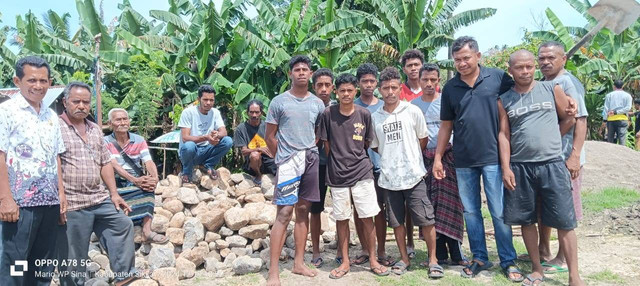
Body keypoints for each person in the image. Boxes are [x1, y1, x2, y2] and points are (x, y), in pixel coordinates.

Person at [432, 36, 524, 281]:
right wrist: (438, 158)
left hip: (494, 158)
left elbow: (521, 96)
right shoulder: (451, 88)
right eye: (457, 60)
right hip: (463, 160)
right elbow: (446, 126)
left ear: (478, 56)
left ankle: (508, 260)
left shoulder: (498, 78)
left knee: (498, 210)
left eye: (466, 58)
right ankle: (480, 257)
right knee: (471, 212)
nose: (462, 63)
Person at [498, 50, 584, 286]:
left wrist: (552, 139)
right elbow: (504, 135)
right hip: (521, 167)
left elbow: (569, 117)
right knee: (527, 220)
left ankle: (574, 276)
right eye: (519, 68)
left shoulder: (551, 88)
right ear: (511, 70)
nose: (525, 71)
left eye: (529, 66)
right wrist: (506, 167)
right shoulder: (504, 99)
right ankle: (537, 268)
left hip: (552, 165)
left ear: (534, 67)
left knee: (565, 221)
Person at [56, 82, 137, 286]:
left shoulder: (95, 129)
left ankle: (123, 277)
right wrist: (60, 196)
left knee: (123, 224)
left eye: (86, 102)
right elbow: (52, 162)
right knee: (73, 254)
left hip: (99, 199)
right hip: (73, 202)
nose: (81, 106)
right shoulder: (55, 126)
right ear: (66, 102)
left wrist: (114, 193)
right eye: (76, 101)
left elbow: (105, 162)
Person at [0, 56, 67, 286]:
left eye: (43, 80)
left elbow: (55, 157)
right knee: (16, 264)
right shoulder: (7, 112)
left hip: (49, 203)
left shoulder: (51, 116)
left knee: (42, 265)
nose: (38, 86)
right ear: (17, 81)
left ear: (49, 83)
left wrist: (61, 194)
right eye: (31, 80)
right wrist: (5, 198)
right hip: (20, 206)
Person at [370, 67, 442, 278]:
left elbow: (422, 139)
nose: (390, 91)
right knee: (397, 222)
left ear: (400, 87)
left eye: (394, 87)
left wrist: (408, 157)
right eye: (386, 88)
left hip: (414, 175)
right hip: (389, 178)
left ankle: (433, 260)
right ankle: (404, 258)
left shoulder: (412, 111)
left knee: (426, 219)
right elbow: (376, 146)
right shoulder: (375, 118)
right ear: (380, 90)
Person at [318, 73, 389, 278]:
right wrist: (340, 161)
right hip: (337, 175)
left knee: (368, 217)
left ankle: (373, 260)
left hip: (362, 172)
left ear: (355, 90)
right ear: (336, 92)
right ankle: (345, 262)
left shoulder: (364, 114)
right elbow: (327, 146)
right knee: (341, 219)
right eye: (342, 91)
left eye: (350, 90)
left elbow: (366, 144)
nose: (346, 94)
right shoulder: (328, 114)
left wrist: (353, 158)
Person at [265, 55, 326, 286]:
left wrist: (309, 149)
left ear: (310, 74)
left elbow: (319, 134)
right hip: (288, 161)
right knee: (283, 213)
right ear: (290, 73)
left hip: (310, 158)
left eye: (305, 69)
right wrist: (281, 157)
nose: (301, 72)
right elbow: (270, 136)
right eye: (297, 69)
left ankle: (299, 263)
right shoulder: (278, 102)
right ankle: (273, 272)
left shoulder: (317, 104)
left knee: (303, 210)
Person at [537, 41, 587, 275]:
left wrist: (575, 155)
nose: (546, 62)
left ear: (563, 58)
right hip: (548, 156)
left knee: (563, 209)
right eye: (542, 58)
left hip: (565, 157)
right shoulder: (545, 83)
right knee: (544, 206)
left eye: (551, 58)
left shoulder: (568, 81)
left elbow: (581, 119)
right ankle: (543, 250)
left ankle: (562, 257)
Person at [411, 63, 467, 267]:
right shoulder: (413, 106)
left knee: (452, 204)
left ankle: (456, 251)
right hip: (423, 160)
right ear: (419, 80)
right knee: (430, 206)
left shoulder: (447, 101)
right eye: (425, 80)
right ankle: (437, 253)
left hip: (448, 158)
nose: (428, 84)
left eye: (433, 80)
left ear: (438, 81)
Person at [104, 108, 167, 244]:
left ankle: (146, 230)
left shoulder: (138, 140)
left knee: (149, 188)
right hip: (114, 179)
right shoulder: (105, 141)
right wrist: (134, 180)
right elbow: (113, 165)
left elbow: (148, 161)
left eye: (125, 119)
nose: (122, 122)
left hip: (136, 177)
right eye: (118, 120)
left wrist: (154, 178)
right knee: (113, 196)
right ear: (110, 123)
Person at [354, 63, 395, 267]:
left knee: (379, 209)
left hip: (381, 166)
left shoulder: (384, 106)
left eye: (372, 81)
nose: (368, 85)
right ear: (358, 83)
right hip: (357, 168)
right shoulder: (351, 105)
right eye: (364, 81)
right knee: (359, 210)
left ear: (376, 83)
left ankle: (380, 250)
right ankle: (363, 248)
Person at [308, 68, 338, 267]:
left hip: (338, 165)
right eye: (320, 85)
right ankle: (316, 250)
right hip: (316, 164)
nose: (324, 89)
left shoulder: (339, 108)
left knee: (343, 207)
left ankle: (341, 247)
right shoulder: (307, 106)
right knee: (315, 209)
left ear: (333, 87)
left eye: (328, 85)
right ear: (314, 87)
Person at [178, 84, 233, 183]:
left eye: (211, 100)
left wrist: (216, 135)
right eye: (205, 100)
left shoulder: (215, 112)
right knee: (189, 146)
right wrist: (206, 137)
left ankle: (208, 165)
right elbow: (185, 138)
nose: (208, 103)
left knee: (228, 141)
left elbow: (223, 132)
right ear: (199, 99)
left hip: (207, 150)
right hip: (191, 152)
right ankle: (186, 171)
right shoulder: (188, 112)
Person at [233, 100, 276, 185]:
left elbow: (276, 143)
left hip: (268, 159)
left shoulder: (268, 126)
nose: (254, 115)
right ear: (247, 112)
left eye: (257, 112)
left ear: (261, 113)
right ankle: (258, 176)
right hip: (252, 163)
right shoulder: (241, 129)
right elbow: (244, 151)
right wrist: (259, 149)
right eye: (251, 112)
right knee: (255, 155)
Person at [602, 80, 633, 146]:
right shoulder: (628, 96)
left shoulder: (609, 95)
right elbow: (628, 108)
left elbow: (606, 109)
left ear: (614, 86)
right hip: (622, 119)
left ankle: (610, 154)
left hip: (611, 120)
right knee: (622, 139)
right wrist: (617, 112)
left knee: (610, 140)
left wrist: (604, 120)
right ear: (622, 86)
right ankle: (622, 154)